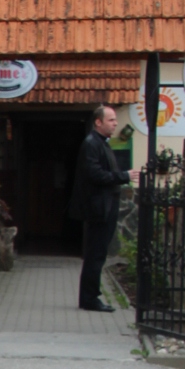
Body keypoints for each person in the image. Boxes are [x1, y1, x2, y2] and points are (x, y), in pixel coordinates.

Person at [70, 104, 130, 311]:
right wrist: (123, 176)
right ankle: (89, 298)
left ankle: (91, 296)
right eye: (111, 120)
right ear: (98, 122)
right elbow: (94, 174)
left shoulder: (101, 143)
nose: (115, 123)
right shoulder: (92, 143)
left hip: (105, 205)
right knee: (95, 254)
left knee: (98, 253)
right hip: (98, 207)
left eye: (115, 120)